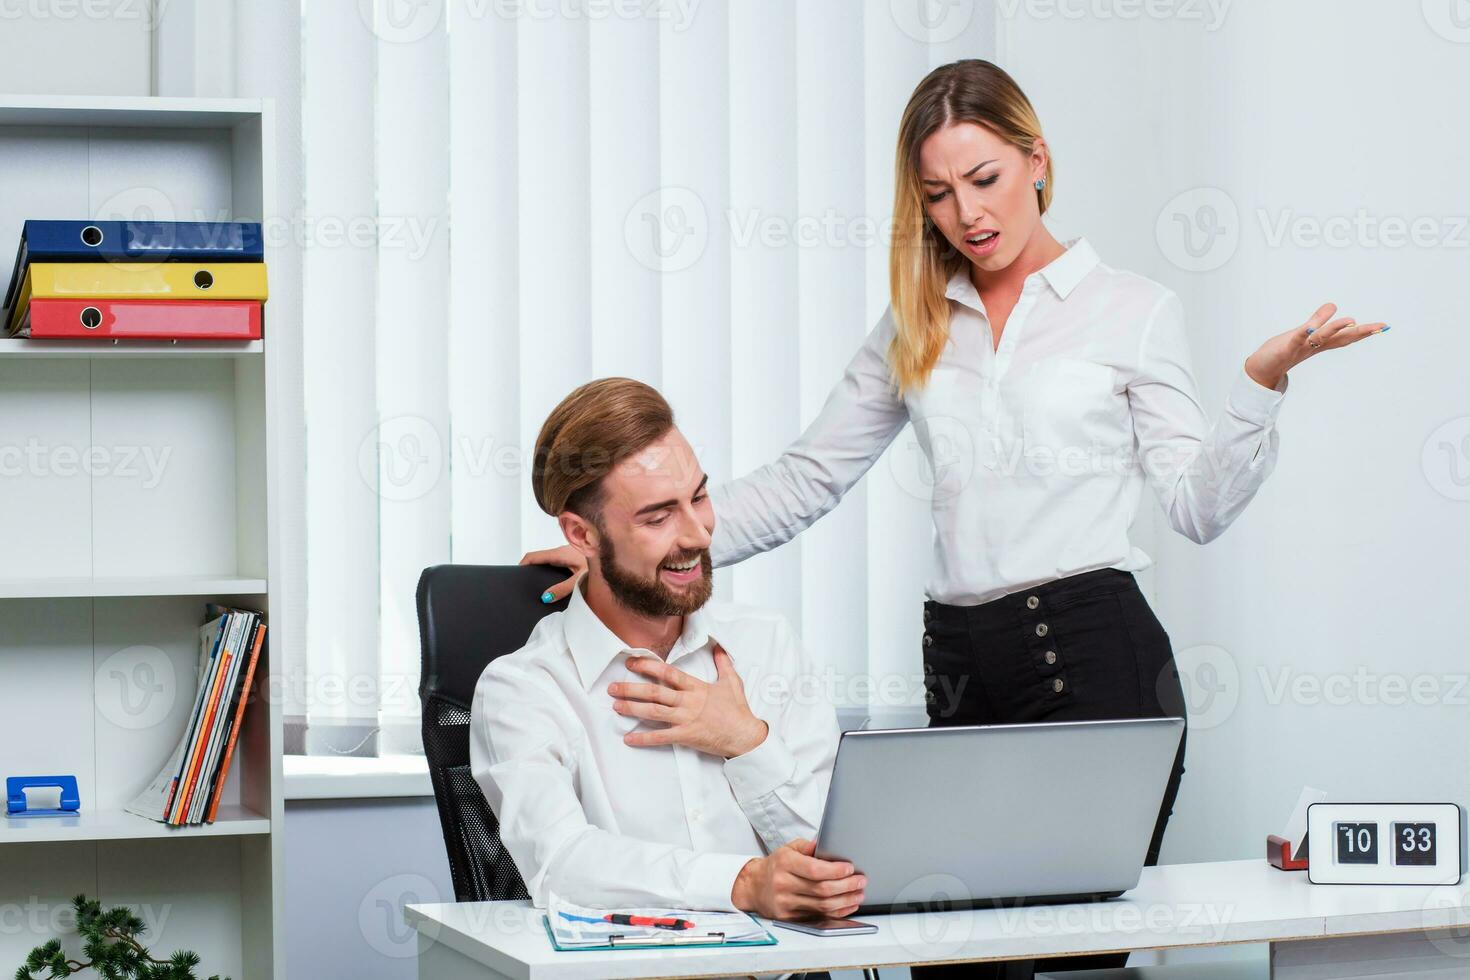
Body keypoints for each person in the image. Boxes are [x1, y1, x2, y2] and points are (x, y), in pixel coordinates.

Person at [523, 60, 1386, 978]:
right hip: (965, 671)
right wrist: (656, 551)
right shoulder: (918, 322)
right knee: (938, 951)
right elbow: (809, 477)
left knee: (1064, 960)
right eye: (937, 194)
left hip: (1096, 663)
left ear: (1037, 161)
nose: (967, 214)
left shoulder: (1129, 310)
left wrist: (1258, 390)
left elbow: (1196, 508)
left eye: (986, 180)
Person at [470, 377, 861, 931]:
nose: (699, 534)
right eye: (658, 517)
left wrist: (746, 742)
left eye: (699, 497)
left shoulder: (765, 644)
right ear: (582, 534)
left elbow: (838, 859)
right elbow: (560, 863)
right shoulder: (524, 688)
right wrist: (744, 882)